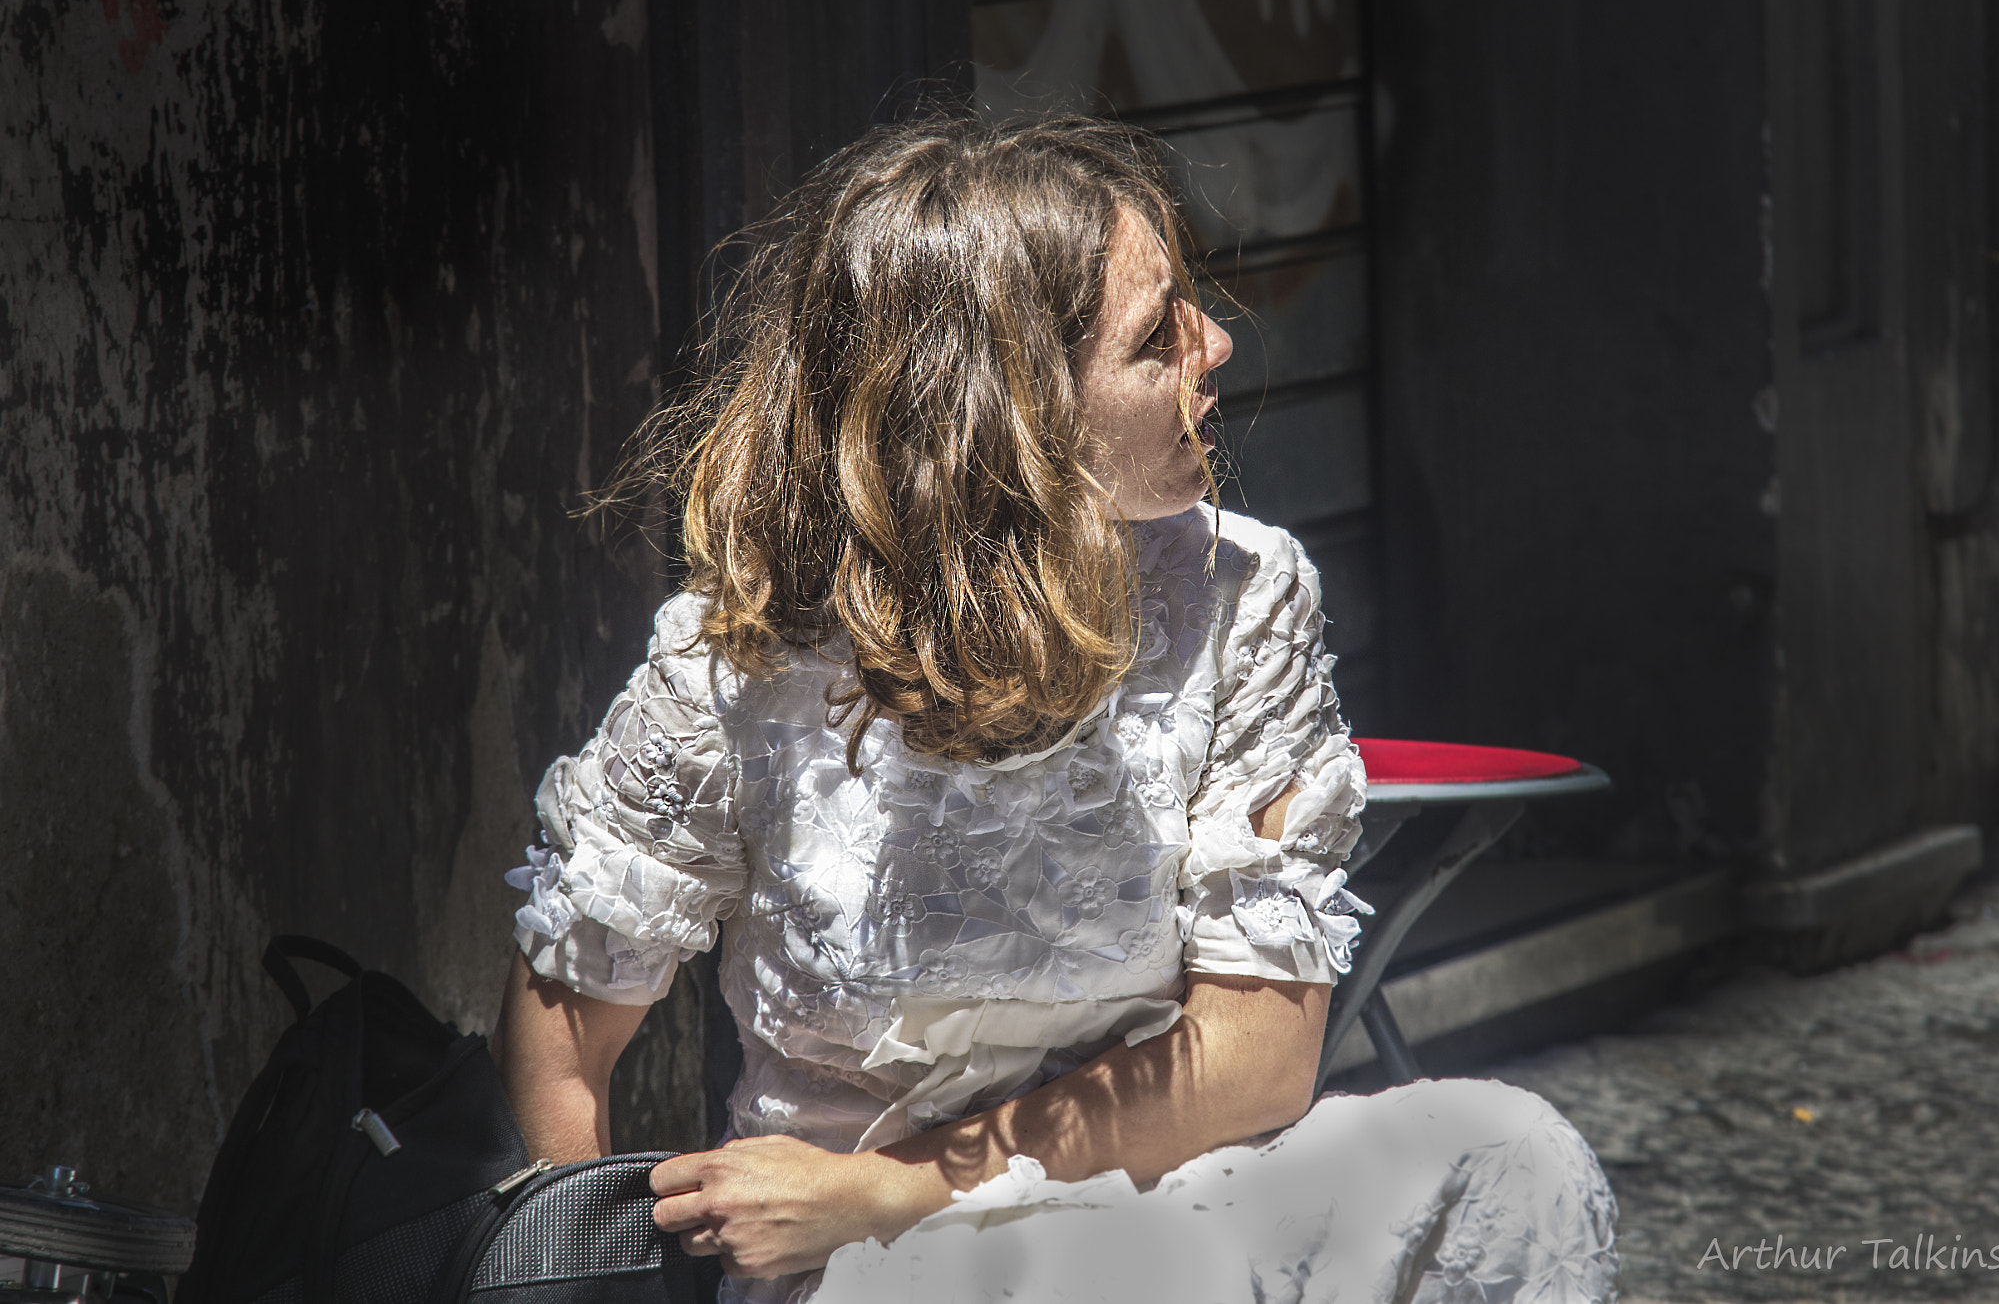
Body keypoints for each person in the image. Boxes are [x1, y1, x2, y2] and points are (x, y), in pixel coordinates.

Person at [493, 115, 1619, 1304]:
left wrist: (903, 1186)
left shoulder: (1246, 595)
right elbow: (568, 1027)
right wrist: (589, 1277)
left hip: (1162, 1208)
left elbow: (1255, 1059)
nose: (1217, 344)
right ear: (1005, 416)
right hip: (872, 1271)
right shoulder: (741, 659)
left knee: (1509, 1155)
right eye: (1153, 338)